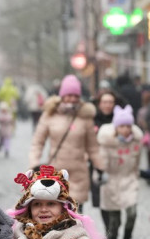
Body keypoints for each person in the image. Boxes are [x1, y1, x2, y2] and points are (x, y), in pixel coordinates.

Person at [28, 75, 105, 209]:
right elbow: (38, 142)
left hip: (79, 174)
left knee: (76, 215)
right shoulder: (49, 114)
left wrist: (100, 168)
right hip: (56, 173)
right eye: (69, 95)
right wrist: (34, 163)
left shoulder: (85, 117)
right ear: (62, 95)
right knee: (57, 214)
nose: (73, 99)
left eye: (76, 96)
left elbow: (93, 147)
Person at [96, 104, 143, 239]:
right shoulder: (107, 143)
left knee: (132, 213)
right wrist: (100, 177)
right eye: (122, 126)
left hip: (129, 180)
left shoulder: (136, 141)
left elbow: (137, 161)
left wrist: (136, 176)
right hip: (112, 183)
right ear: (116, 127)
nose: (125, 129)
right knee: (114, 222)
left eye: (128, 126)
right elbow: (102, 165)